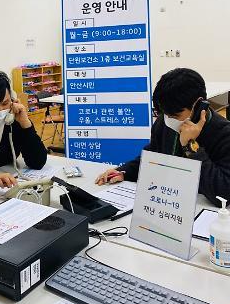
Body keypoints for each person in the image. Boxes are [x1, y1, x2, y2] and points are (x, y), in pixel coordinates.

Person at [95, 68, 230, 207]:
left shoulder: (224, 133)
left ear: (200, 105)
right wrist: (124, 172)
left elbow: (223, 194)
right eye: (165, 114)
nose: (169, 119)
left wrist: (190, 146)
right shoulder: (164, 123)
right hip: (166, 203)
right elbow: (152, 157)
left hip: (203, 210)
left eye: (175, 115)